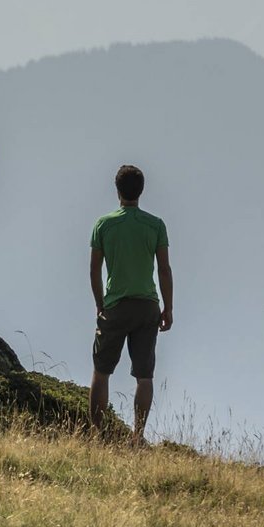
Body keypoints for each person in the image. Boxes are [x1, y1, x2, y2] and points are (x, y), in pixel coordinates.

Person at [88, 164, 173, 445]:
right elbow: (163, 269)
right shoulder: (155, 225)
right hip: (147, 305)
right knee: (144, 375)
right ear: (141, 190)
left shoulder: (104, 224)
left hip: (115, 305)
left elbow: (94, 270)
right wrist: (168, 307)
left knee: (102, 372)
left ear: (117, 190)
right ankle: (137, 437)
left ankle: (98, 436)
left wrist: (100, 304)